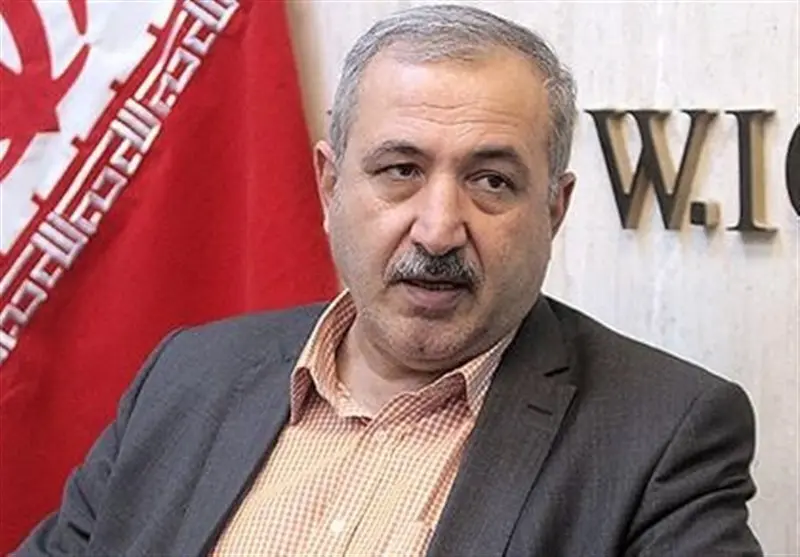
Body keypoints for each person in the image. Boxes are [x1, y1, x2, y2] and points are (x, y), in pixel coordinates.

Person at [17, 4, 761, 556]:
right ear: (329, 185)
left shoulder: (663, 435)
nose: (438, 229)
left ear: (554, 210)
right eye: (401, 170)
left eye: (492, 181)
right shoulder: (186, 376)